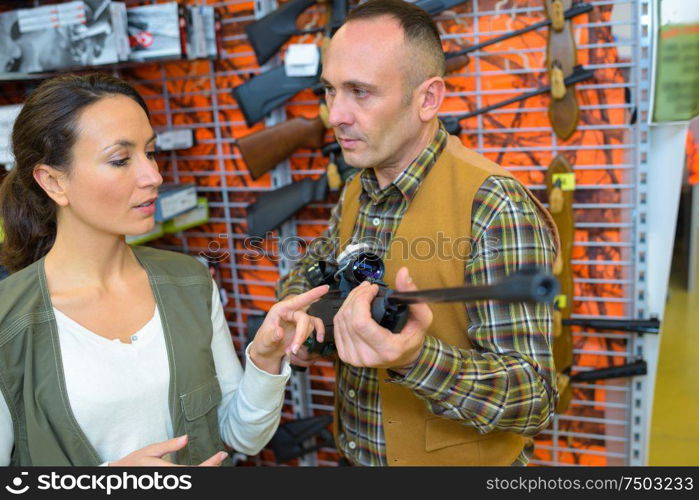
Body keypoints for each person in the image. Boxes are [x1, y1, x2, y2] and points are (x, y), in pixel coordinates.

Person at [277, 0, 561, 466]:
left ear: (428, 99)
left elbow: (532, 396)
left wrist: (413, 358)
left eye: (360, 92)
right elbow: (310, 280)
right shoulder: (357, 190)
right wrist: (301, 325)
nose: (336, 116)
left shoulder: (493, 205)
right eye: (330, 91)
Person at [0, 73, 328, 466]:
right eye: (121, 160)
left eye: (151, 153)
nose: (153, 176)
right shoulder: (8, 320)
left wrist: (264, 358)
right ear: (53, 181)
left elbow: (239, 436)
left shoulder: (190, 281)